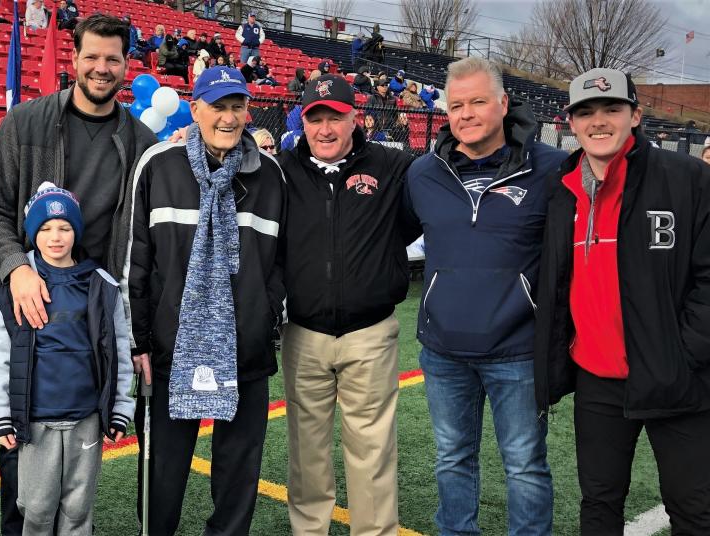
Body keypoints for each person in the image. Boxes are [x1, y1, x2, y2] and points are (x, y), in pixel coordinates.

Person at [0, 15, 157, 533]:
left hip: (96, 307)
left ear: (127, 65)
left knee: (80, 487)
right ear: (73, 59)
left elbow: (145, 241)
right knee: (26, 479)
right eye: (92, 57)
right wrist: (16, 267)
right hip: (33, 301)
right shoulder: (25, 123)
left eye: (113, 59)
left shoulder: (142, 141)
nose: (102, 68)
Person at [534, 67, 710, 535]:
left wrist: (684, 353)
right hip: (598, 380)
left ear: (635, 115)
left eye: (612, 108)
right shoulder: (561, 189)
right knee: (599, 505)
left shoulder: (687, 177)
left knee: (694, 510)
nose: (599, 121)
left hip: (677, 377)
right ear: (570, 122)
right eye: (586, 112)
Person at [401, 56, 564, 536]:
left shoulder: (552, 168)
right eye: (456, 105)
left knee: (524, 464)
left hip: (517, 349)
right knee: (452, 459)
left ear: (503, 103)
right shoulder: (422, 173)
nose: (466, 114)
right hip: (443, 350)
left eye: (477, 101)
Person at [123, 65, 286, 536]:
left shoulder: (271, 176)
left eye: (237, 107)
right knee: (163, 471)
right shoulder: (158, 165)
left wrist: (264, 314)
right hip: (170, 349)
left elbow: (280, 262)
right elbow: (136, 262)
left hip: (246, 348)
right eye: (218, 107)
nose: (229, 118)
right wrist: (139, 343)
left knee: (238, 473)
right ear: (195, 110)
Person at [277, 74, 414, 536]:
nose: (325, 128)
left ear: (355, 117)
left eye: (335, 117)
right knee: (306, 453)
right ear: (304, 120)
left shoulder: (392, 166)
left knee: (372, 452)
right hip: (304, 334)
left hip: (370, 334)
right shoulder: (282, 169)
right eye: (315, 118)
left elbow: (416, 219)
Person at [0, 183, 135, 536]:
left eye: (65, 227)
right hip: (36, 423)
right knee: (35, 509)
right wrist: (1, 415)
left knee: (78, 508)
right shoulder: (13, 291)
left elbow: (119, 353)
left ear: (76, 232)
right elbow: (0, 356)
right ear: (32, 232)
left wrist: (119, 409)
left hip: (86, 419)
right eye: (46, 228)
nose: (56, 237)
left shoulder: (101, 284)